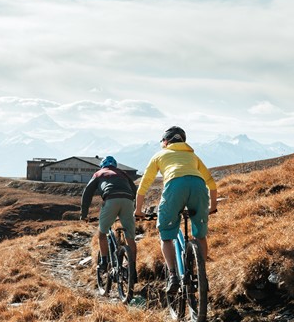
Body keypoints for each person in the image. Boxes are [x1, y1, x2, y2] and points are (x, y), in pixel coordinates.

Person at [134, 126, 218, 294]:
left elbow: (144, 183)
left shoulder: (159, 155)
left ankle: (173, 275)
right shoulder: (192, 156)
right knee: (200, 235)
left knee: (166, 236)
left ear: (166, 141)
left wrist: (138, 210)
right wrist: (213, 207)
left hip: (175, 187)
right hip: (198, 187)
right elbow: (211, 183)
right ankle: (202, 275)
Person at [79, 156, 138, 286]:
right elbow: (136, 191)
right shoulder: (123, 173)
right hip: (128, 201)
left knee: (102, 233)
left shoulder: (99, 173)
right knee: (130, 237)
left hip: (111, 200)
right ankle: (133, 268)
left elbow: (87, 193)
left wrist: (83, 214)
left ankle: (104, 262)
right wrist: (137, 209)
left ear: (102, 166)